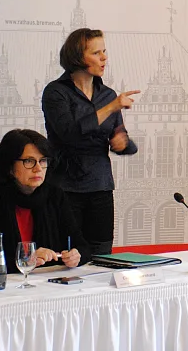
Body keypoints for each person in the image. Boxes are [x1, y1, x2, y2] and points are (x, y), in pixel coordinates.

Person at [42, 28, 140, 256]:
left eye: (104, 51)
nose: (104, 58)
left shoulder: (107, 94)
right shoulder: (56, 92)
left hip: (100, 187)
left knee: (102, 255)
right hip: (65, 187)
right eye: (97, 53)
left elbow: (125, 140)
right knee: (64, 255)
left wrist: (123, 143)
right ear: (77, 57)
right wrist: (112, 107)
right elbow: (70, 133)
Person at [0, 129, 88, 274]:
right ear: (9, 167)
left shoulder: (56, 196)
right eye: (29, 161)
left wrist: (76, 256)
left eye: (43, 160)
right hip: (1, 286)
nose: (38, 168)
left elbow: (82, 246)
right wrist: (25, 261)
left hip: (47, 284)